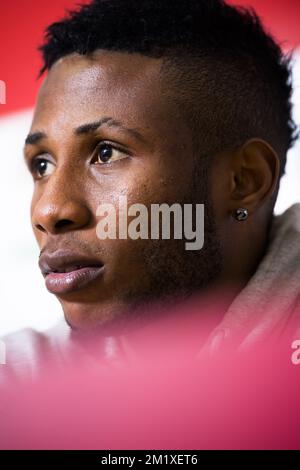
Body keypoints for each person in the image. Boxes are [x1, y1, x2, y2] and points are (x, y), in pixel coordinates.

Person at [2, 0, 300, 378]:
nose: (50, 210)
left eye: (106, 153)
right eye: (42, 164)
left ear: (245, 180)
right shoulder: (21, 381)